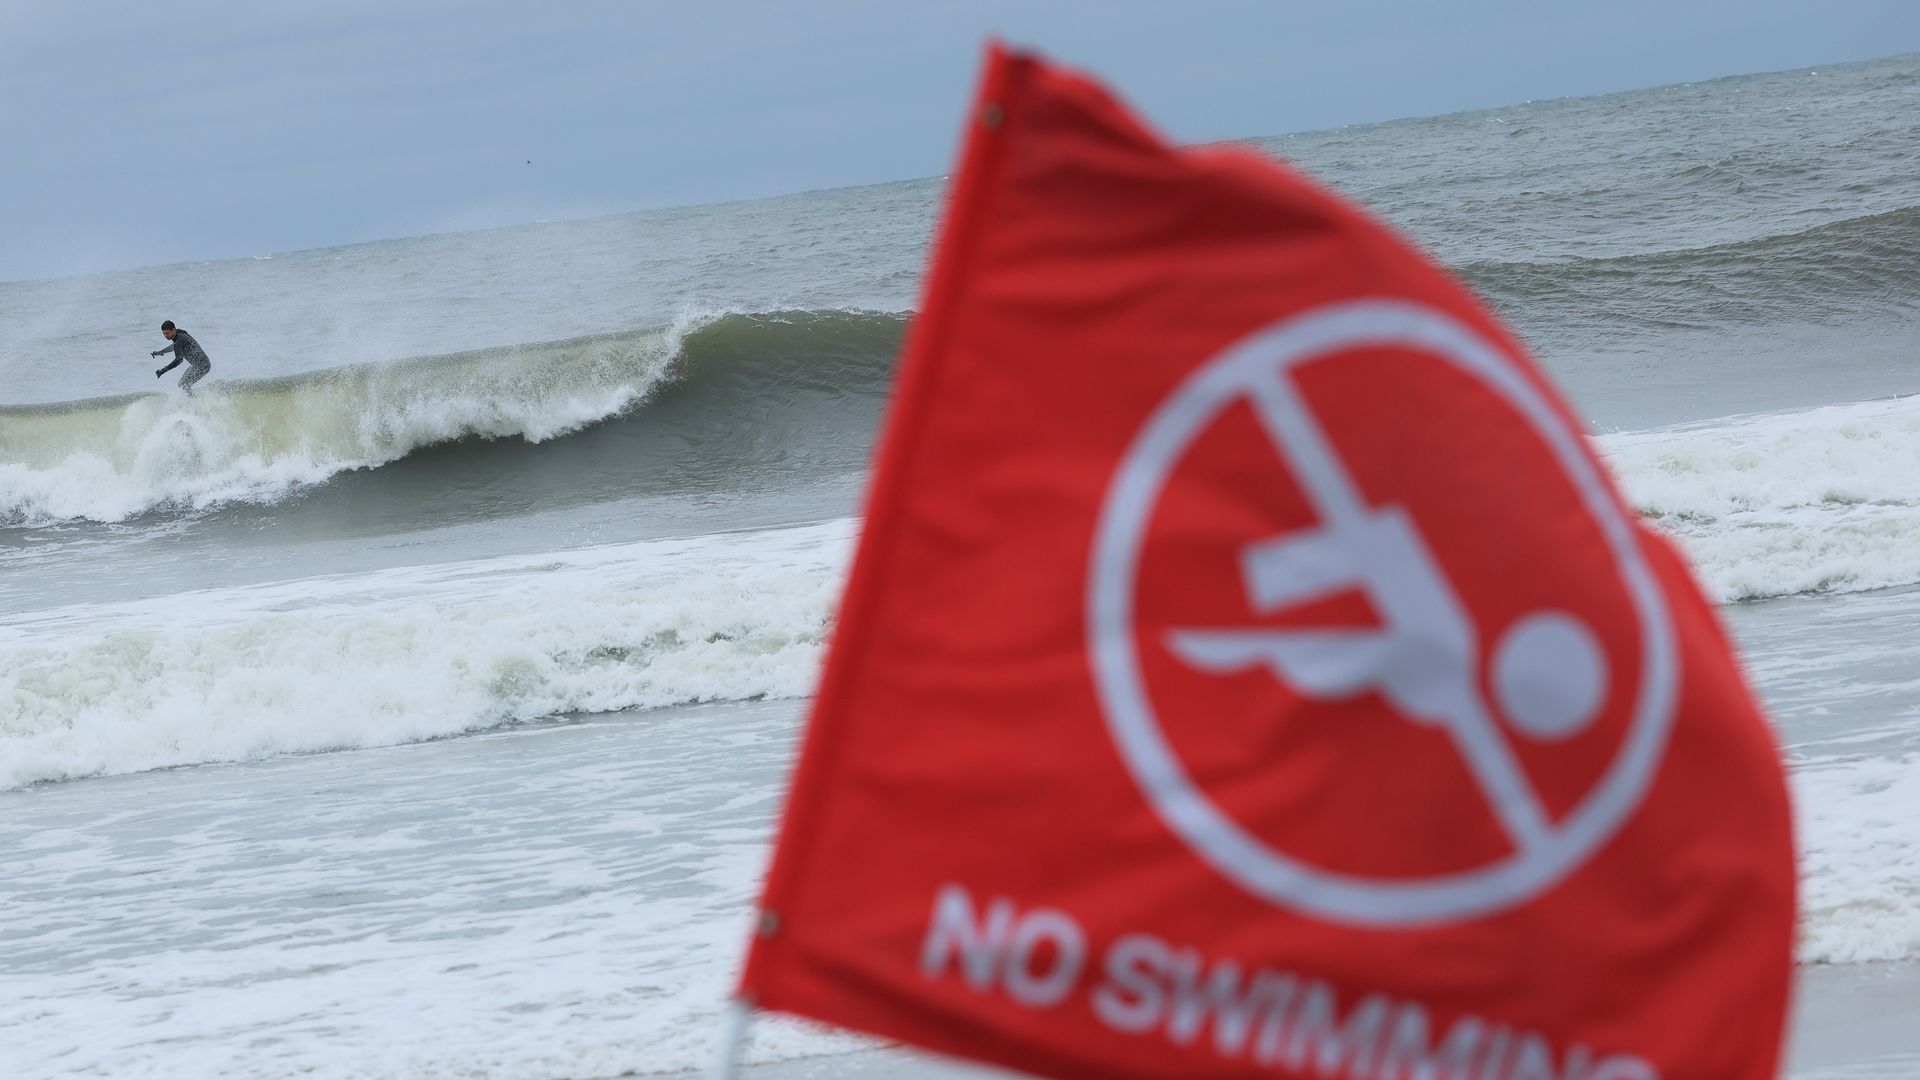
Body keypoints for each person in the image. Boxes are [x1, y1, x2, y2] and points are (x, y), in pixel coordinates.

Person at [152, 320, 212, 393]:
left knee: (184, 385)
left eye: (167, 333)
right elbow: (176, 346)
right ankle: (194, 400)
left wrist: (164, 370)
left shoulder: (179, 340)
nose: (165, 336)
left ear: (173, 330)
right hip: (198, 365)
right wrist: (161, 352)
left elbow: (179, 360)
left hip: (202, 366)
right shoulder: (179, 333)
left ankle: (194, 401)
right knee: (181, 384)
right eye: (164, 333)